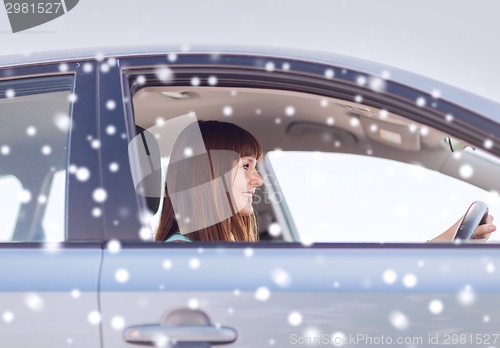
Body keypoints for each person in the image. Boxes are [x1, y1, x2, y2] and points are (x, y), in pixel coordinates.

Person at [155, 120, 496, 243]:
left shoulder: (204, 254)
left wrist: (445, 241)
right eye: (245, 166)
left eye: (256, 166)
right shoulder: (182, 260)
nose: (258, 180)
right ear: (209, 173)